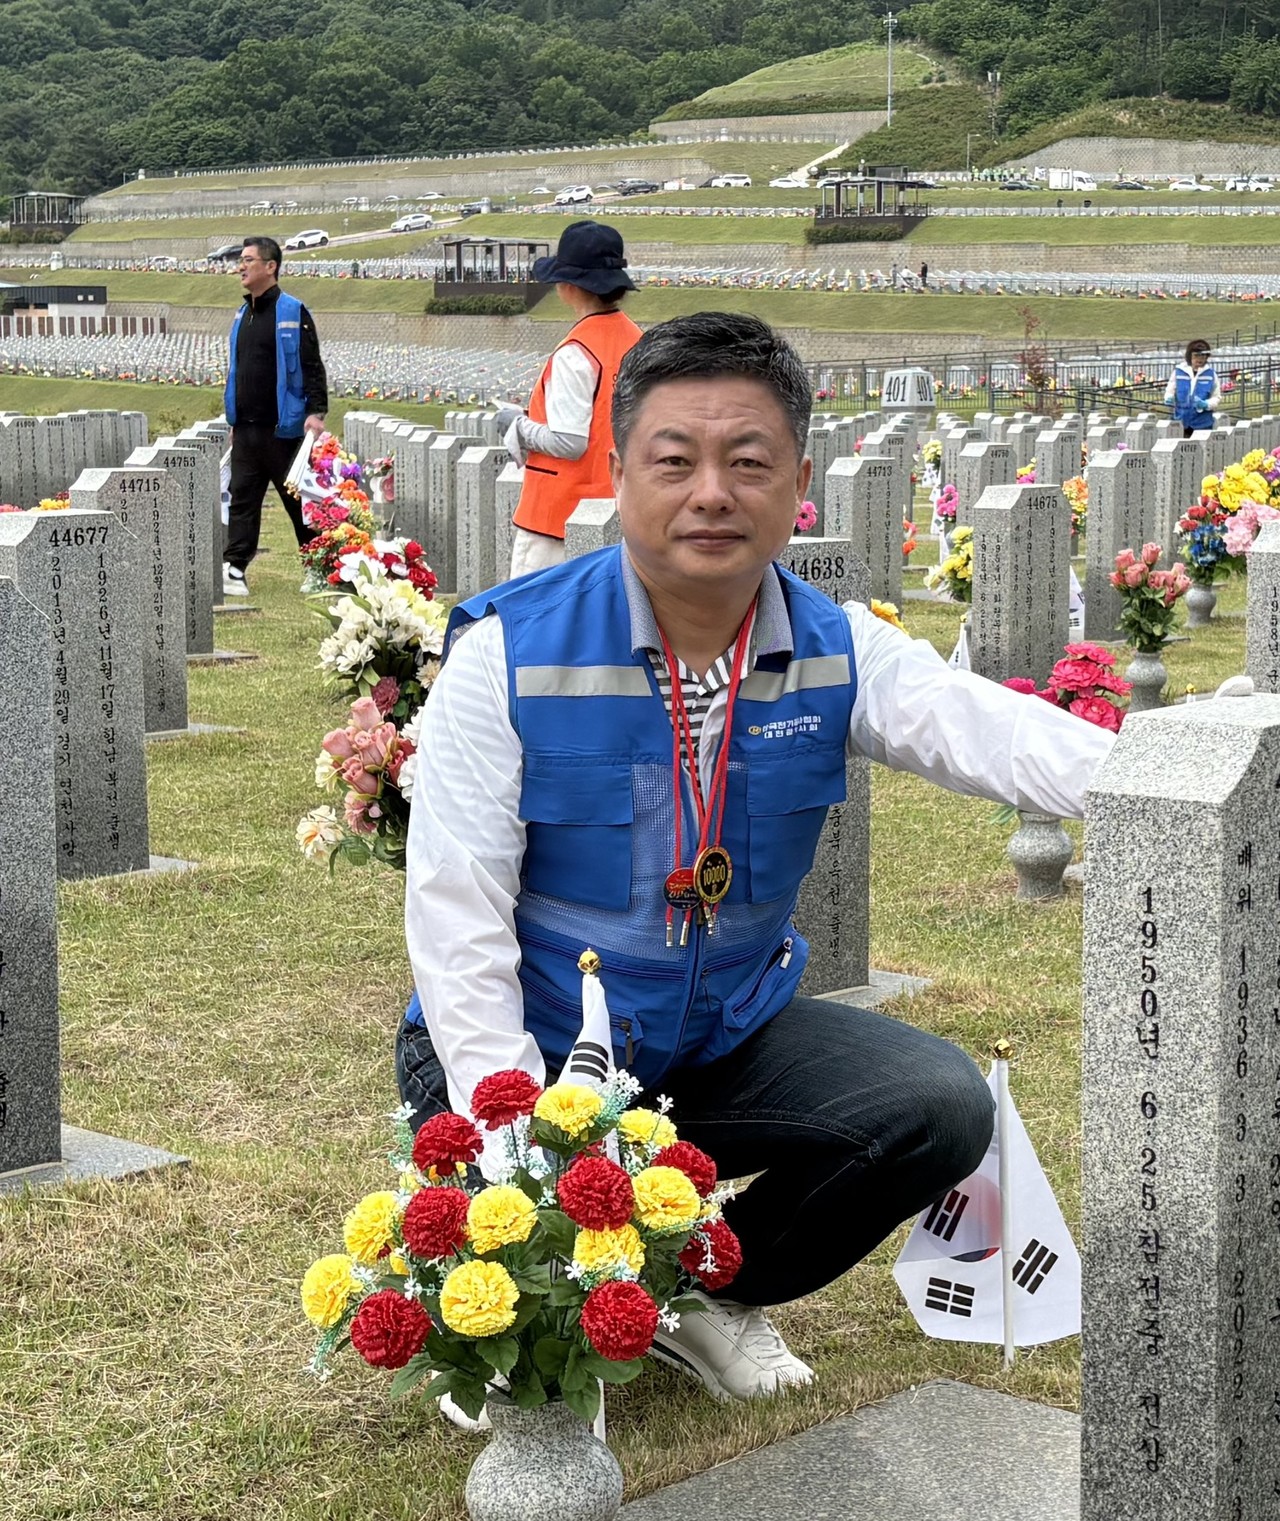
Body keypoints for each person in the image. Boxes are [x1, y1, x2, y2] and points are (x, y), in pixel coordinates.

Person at [400, 312, 1113, 1415]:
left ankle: (707, 1291)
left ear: (797, 483)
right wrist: (512, 1148)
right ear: (622, 471)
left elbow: (992, 732)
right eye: (673, 461)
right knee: (521, 1319)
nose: (710, 494)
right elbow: (457, 917)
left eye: (747, 463)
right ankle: (542, 1278)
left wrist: (1180, 772)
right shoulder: (508, 655)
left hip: (719, 1036)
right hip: (542, 1045)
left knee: (934, 1106)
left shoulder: (837, 645)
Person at [497, 221, 642, 580]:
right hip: (621, 511)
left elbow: (570, 441)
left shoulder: (576, 353)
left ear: (568, 287)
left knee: (540, 626)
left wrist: (517, 426)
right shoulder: (639, 341)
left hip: (557, 519)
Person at [221, 235, 328, 597]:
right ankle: (235, 568)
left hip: (284, 429)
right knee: (242, 500)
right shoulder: (242, 314)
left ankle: (318, 568)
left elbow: (312, 365)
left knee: (299, 503)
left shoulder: (292, 311)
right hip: (246, 429)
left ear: (271, 267)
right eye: (241, 259)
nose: (241, 266)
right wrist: (234, 418)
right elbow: (238, 369)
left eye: (249, 260)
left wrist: (316, 413)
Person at [1164, 338, 1220, 438]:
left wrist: (1206, 404)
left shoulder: (1211, 375)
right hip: (1181, 421)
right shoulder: (1178, 372)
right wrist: (1169, 397)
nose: (1200, 359)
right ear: (1190, 356)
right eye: (1196, 355)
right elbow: (1170, 390)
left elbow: (1216, 397)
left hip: (1203, 423)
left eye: (1203, 356)